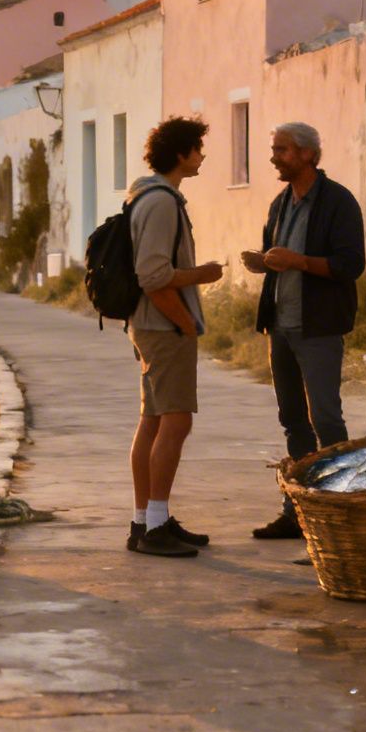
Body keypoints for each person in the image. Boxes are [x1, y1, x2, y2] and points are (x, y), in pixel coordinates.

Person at [243, 122, 365, 540]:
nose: (275, 157)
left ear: (309, 155)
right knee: (293, 420)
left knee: (327, 420)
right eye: (274, 149)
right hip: (281, 327)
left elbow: (350, 265)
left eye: (283, 150)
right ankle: (297, 511)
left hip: (319, 327)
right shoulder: (281, 203)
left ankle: (339, 510)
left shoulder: (338, 202)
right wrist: (264, 263)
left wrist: (297, 261)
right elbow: (281, 258)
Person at [125, 116, 224, 558]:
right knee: (177, 421)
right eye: (198, 148)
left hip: (148, 324)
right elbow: (153, 275)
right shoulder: (162, 201)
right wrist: (196, 292)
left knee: (153, 420)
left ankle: (146, 520)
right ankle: (155, 526)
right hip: (163, 324)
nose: (202, 155)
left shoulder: (144, 194)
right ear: (181, 154)